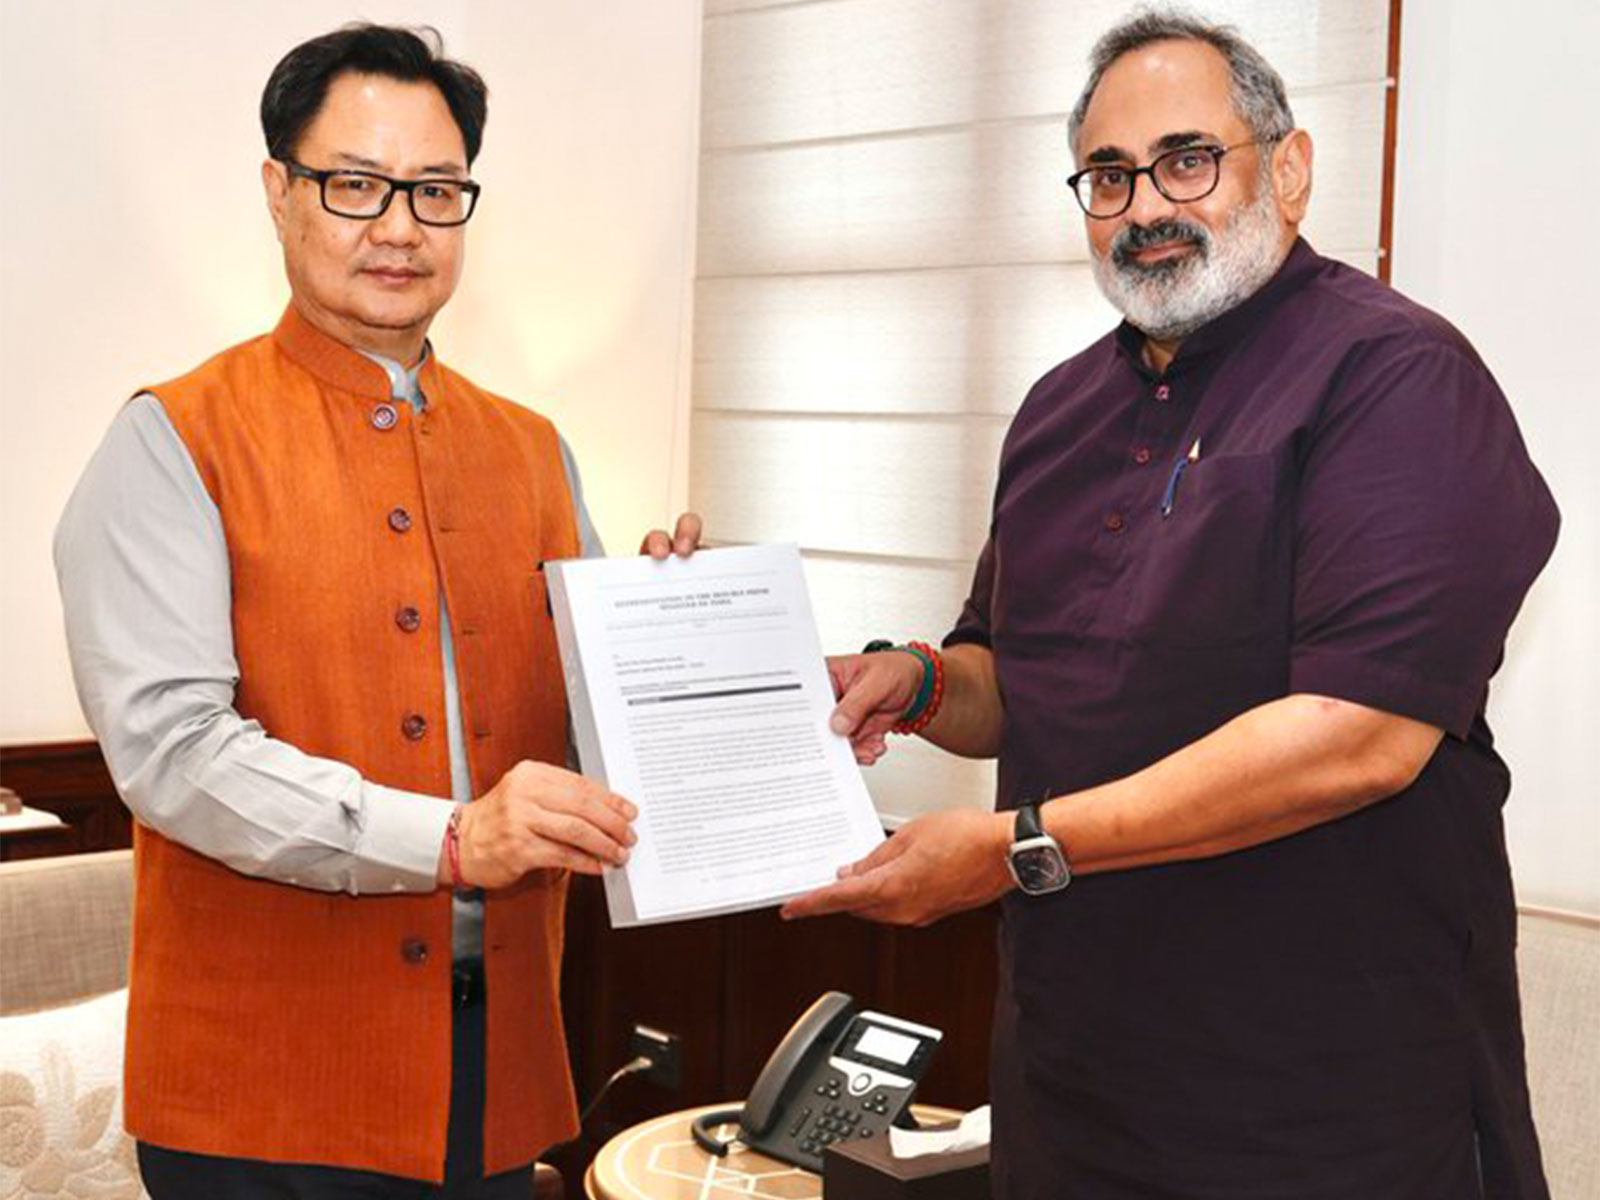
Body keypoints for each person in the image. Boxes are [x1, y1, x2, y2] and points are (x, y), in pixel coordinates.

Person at [783, 11, 1558, 1199]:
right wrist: (923, 680)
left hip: (1324, 1101)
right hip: (1073, 1084)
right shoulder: (1056, 411)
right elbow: (1014, 672)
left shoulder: (1395, 376)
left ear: (1287, 171)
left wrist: (1012, 848)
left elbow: (1358, 737)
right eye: (1107, 174)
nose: (1144, 203)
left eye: (1187, 159)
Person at [54, 23, 697, 1199]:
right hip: (258, 1092)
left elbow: (589, 740)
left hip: (497, 1064)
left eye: (436, 191)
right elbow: (173, 755)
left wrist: (664, 631)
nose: (399, 226)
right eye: (355, 184)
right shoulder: (172, 438)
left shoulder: (534, 448)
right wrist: (452, 839)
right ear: (279, 193)